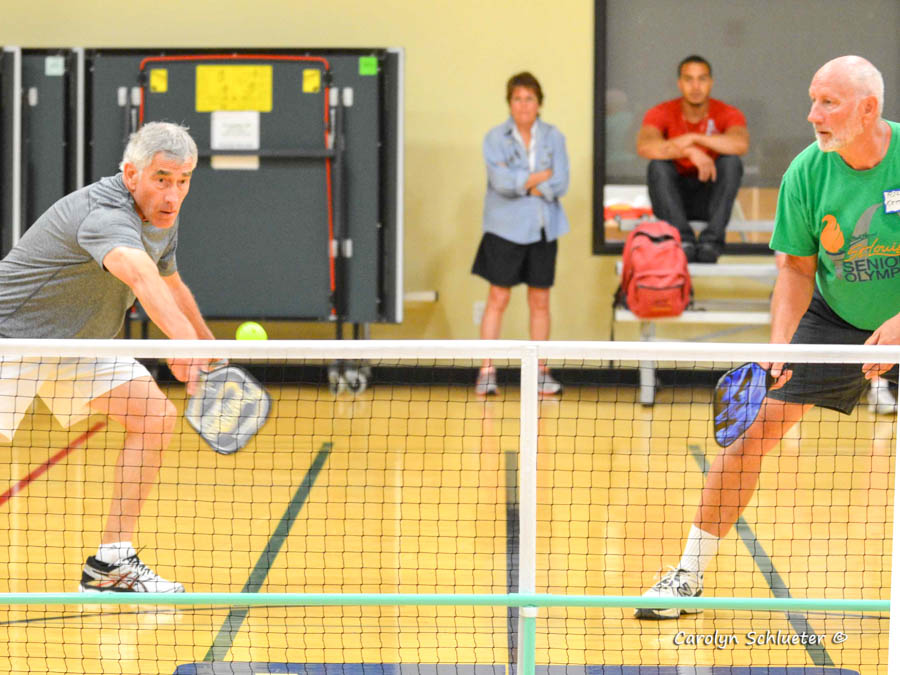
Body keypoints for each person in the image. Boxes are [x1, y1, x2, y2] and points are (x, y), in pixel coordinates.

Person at [636, 55, 898, 619]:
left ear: (869, 108)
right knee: (751, 431)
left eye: (828, 102)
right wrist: (780, 349)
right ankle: (687, 576)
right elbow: (797, 270)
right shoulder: (807, 172)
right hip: (837, 319)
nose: (813, 115)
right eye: (812, 100)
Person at [0, 121, 215, 593]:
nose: (173, 194)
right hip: (11, 339)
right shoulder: (105, 213)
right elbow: (139, 275)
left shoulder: (161, 216)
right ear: (131, 172)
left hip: (78, 345)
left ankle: (111, 565)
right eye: (162, 179)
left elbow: (168, 280)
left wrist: (204, 340)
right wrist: (182, 342)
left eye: (184, 181)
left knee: (154, 417)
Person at [472, 72, 569, 396]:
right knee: (498, 297)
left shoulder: (554, 137)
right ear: (509, 103)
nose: (523, 104)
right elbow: (501, 183)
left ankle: (541, 373)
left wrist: (524, 182)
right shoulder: (494, 138)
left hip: (544, 228)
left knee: (540, 300)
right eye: (517, 98)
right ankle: (487, 371)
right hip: (504, 230)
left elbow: (560, 183)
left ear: (539, 103)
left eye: (529, 98)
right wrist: (539, 179)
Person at [636, 55, 749, 263]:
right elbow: (645, 146)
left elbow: (739, 144)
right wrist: (688, 151)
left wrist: (695, 139)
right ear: (680, 83)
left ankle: (711, 242)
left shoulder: (727, 112)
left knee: (731, 162)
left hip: (709, 197)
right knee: (657, 166)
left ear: (711, 82)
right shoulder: (661, 112)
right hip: (674, 199)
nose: (695, 86)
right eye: (689, 79)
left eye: (702, 79)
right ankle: (682, 241)